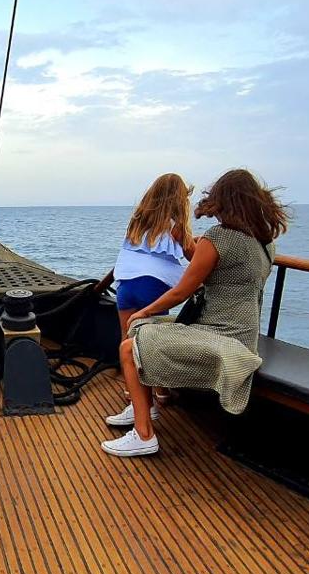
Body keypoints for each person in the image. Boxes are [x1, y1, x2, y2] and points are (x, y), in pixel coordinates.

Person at [102, 169, 289, 457]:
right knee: (142, 330)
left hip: (216, 332)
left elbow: (182, 291)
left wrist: (144, 312)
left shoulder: (219, 238)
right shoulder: (266, 245)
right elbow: (216, 267)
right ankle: (145, 407)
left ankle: (143, 435)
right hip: (244, 335)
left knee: (130, 345)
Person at [108, 172, 197, 426]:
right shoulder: (177, 228)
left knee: (127, 339)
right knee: (151, 344)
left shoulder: (136, 222)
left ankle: (132, 395)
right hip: (153, 287)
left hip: (126, 285)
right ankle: (161, 391)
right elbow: (193, 255)